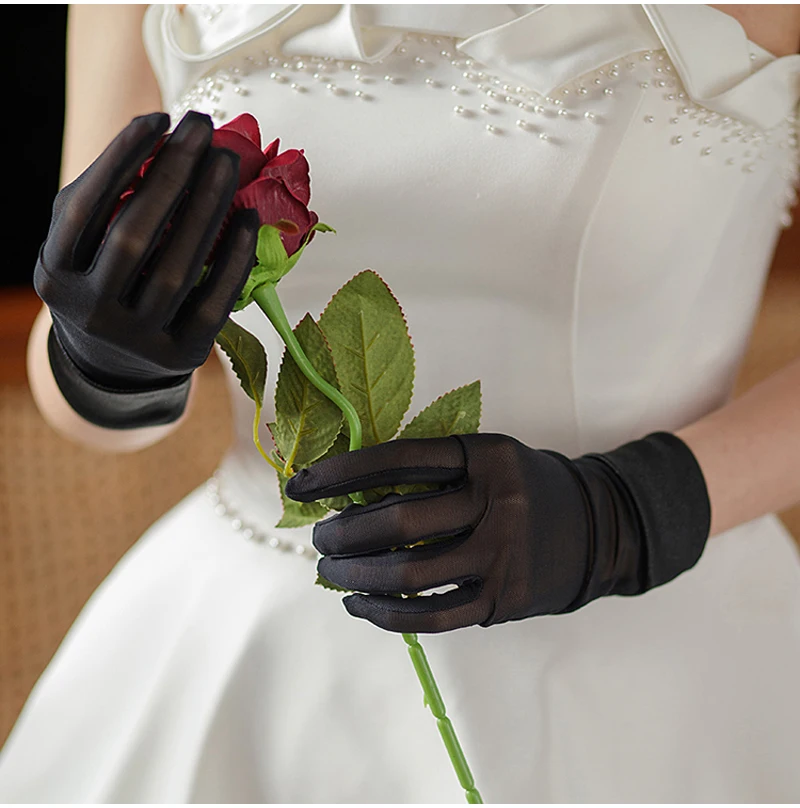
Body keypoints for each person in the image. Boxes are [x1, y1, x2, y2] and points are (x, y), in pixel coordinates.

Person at [1, 3, 799, 802]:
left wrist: (633, 511)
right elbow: (68, 371)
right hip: (250, 648)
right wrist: (99, 365)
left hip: (654, 651)